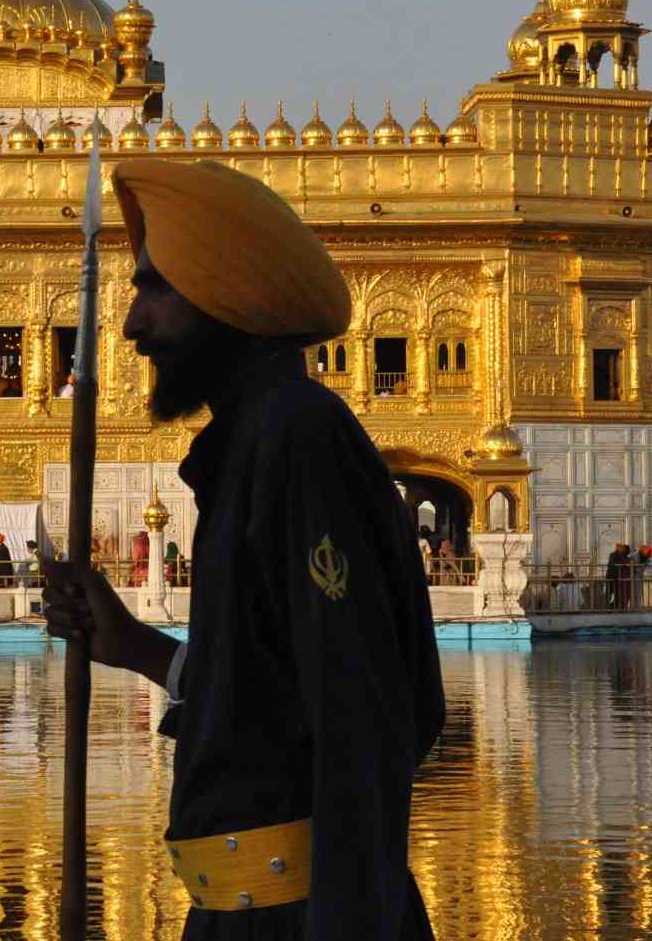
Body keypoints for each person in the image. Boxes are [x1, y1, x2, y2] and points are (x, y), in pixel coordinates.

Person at [43, 157, 442, 938]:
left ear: (222, 293)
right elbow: (270, 702)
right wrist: (136, 648)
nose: (131, 325)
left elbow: (362, 722)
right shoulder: (250, 448)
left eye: (154, 288)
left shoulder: (298, 436)